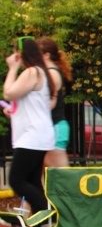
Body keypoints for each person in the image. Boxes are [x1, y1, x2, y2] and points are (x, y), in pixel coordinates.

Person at [3, 38, 55, 220]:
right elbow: (31, 103)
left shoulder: (32, 72)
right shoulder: (40, 72)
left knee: (16, 180)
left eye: (16, 52)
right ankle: (41, 224)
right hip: (36, 135)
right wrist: (14, 112)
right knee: (32, 181)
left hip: (32, 136)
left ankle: (49, 214)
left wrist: (12, 68)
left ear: (22, 53)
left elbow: (9, 93)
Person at [37, 37, 72, 169]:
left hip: (55, 127)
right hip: (53, 127)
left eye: (37, 53)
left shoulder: (52, 74)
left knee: (62, 174)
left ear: (46, 55)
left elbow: (49, 104)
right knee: (46, 171)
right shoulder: (50, 72)